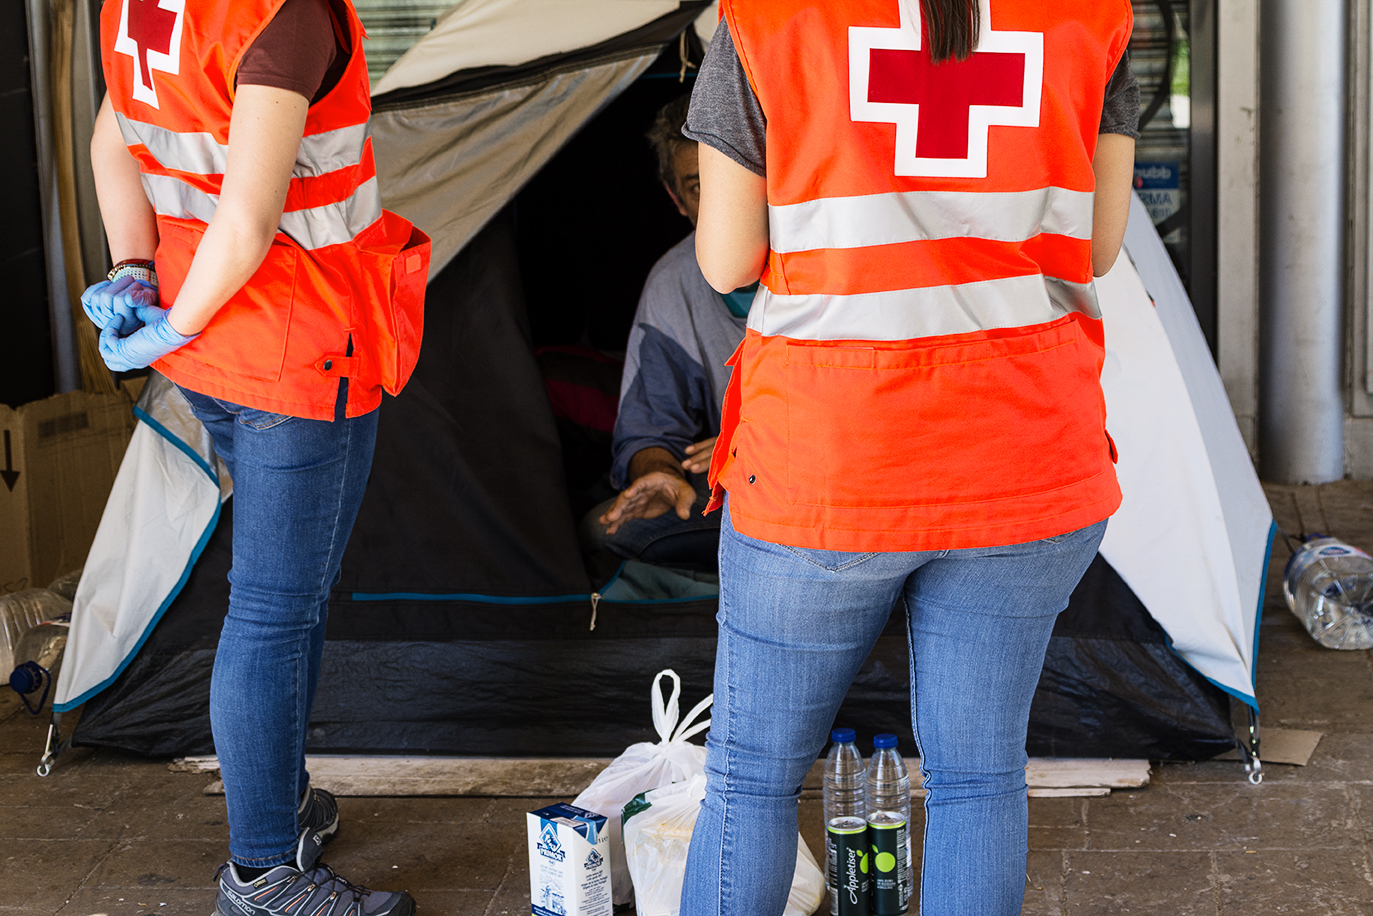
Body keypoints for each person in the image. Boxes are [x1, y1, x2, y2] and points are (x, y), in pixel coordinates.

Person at [678, 1, 1138, 914]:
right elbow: (1096, 244)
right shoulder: (1090, 16)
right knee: (977, 779)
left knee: (752, 781)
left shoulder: (767, 21)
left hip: (828, 462)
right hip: (1025, 455)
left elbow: (727, 260)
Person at [83, 0, 425, 913]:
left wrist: (134, 276)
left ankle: (281, 805)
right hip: (293, 349)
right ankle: (264, 872)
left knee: (287, 592)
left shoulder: (137, 4)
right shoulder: (286, 17)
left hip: (211, 357)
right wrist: (170, 325)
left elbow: (110, 143)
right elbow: (248, 222)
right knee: (274, 610)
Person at [581, 95, 750, 572]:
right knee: (604, 528)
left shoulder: (824, 262)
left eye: (735, 178)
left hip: (829, 494)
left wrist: (765, 440)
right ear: (676, 199)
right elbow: (649, 428)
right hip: (739, 496)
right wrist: (659, 472)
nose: (724, 202)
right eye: (699, 187)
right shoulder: (674, 282)